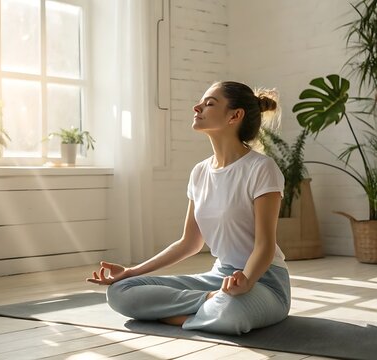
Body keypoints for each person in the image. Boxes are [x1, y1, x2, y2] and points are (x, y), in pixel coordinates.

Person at [87, 81, 290, 335]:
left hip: (264, 281)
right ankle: (206, 303)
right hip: (219, 279)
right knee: (119, 292)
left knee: (231, 312)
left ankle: (176, 316)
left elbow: (265, 245)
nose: (197, 107)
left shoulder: (261, 169)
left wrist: (246, 281)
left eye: (209, 103)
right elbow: (189, 242)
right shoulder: (200, 172)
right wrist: (130, 271)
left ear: (235, 116)